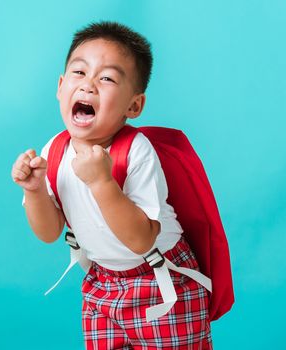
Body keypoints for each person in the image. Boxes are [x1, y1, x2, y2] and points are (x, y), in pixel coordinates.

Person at [11, 22, 212, 349]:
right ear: (61, 87)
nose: (88, 85)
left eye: (106, 78)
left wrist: (102, 181)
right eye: (79, 73)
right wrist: (33, 190)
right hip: (103, 284)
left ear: (133, 106)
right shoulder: (56, 151)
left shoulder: (136, 151)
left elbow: (140, 239)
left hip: (161, 282)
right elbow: (49, 233)